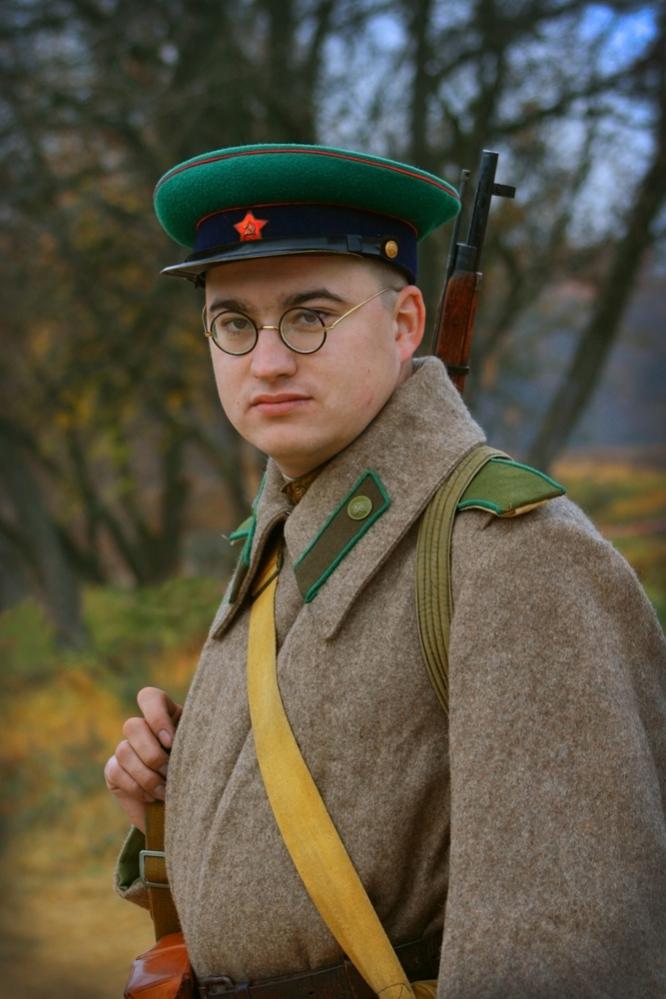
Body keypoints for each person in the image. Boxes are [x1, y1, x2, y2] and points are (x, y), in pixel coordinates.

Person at [104, 143, 666, 998]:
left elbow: (564, 947)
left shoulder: (513, 557)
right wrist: (167, 804)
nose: (267, 361)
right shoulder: (279, 538)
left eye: (310, 315)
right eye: (234, 322)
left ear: (405, 324)